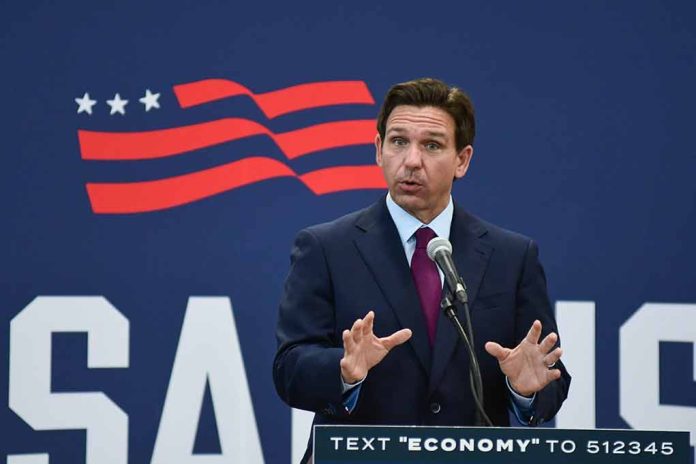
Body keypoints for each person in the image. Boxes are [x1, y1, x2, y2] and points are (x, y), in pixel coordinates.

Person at [273, 77, 571, 463]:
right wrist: (344, 372)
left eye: (431, 145)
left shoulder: (511, 256)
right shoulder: (326, 247)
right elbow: (289, 369)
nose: (412, 160)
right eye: (398, 142)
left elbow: (549, 377)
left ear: (462, 160)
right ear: (379, 150)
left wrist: (525, 392)